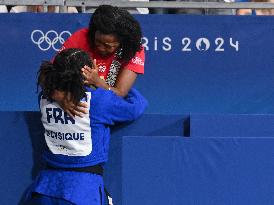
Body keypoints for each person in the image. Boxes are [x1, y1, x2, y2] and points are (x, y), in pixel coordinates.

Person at [23, 48, 147, 205]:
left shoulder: (46, 97)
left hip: (45, 189)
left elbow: (47, 83)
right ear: (89, 73)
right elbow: (137, 105)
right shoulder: (100, 100)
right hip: (82, 192)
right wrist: (103, 84)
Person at [57, 4, 145, 116]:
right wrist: (60, 96)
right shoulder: (81, 37)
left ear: (122, 41)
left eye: (108, 45)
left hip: (107, 95)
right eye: (97, 42)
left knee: (137, 101)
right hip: (75, 93)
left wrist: (97, 82)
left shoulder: (133, 49)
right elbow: (47, 73)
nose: (101, 48)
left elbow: (120, 93)